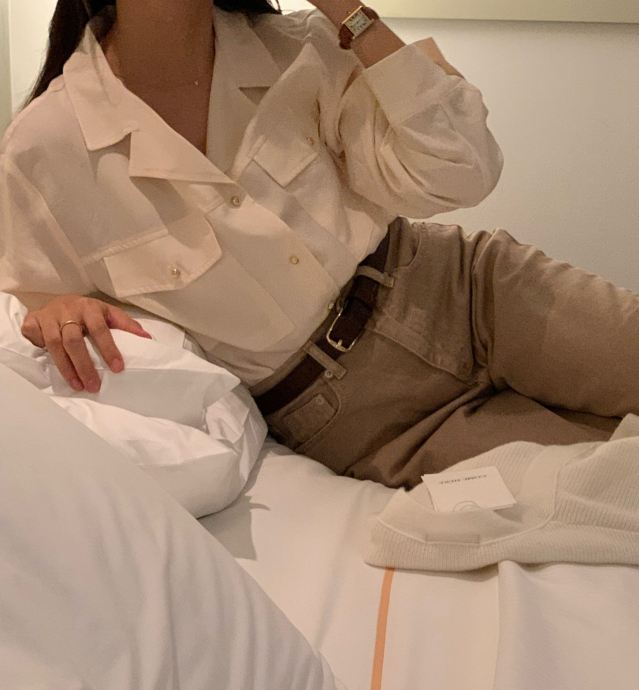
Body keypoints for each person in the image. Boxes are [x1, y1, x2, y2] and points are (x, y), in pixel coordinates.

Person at [1, 0, 637, 489]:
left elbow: (464, 169)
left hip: (470, 293)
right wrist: (53, 311)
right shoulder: (44, 149)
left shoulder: (300, 45)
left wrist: (348, 12)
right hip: (359, 419)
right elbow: (28, 311)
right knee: (607, 484)